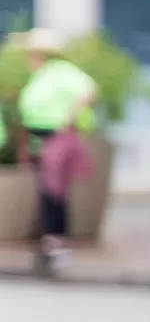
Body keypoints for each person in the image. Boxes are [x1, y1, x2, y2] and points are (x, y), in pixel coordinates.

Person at [12, 27, 99, 263]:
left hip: (57, 138)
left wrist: (69, 118)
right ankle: (51, 240)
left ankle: (58, 241)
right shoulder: (39, 76)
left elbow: (89, 91)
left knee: (54, 190)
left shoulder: (61, 72)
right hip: (40, 139)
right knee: (47, 190)